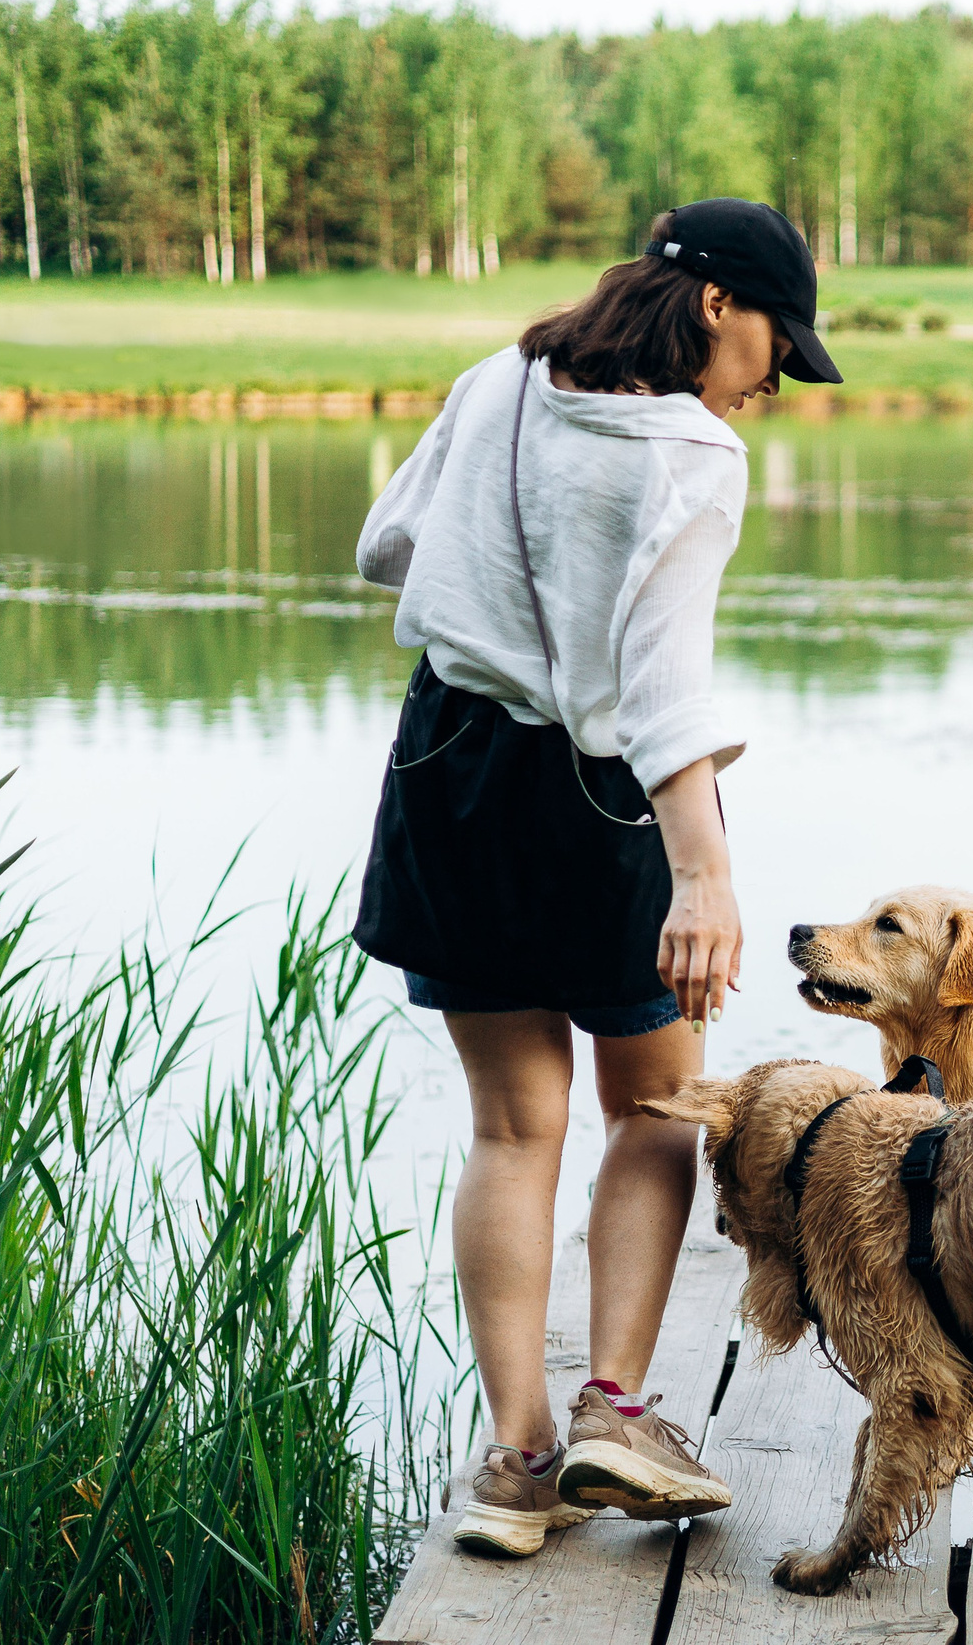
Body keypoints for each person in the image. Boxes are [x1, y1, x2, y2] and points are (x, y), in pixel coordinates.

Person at [352, 199, 841, 1557]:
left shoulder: (496, 379)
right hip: (608, 801)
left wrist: (510, 594)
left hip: (448, 771)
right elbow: (663, 690)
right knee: (659, 1108)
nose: (772, 379)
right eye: (773, 345)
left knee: (513, 1126)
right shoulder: (691, 452)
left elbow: (385, 548)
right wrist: (708, 880)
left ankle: (512, 1463)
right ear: (710, 311)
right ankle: (614, 1413)